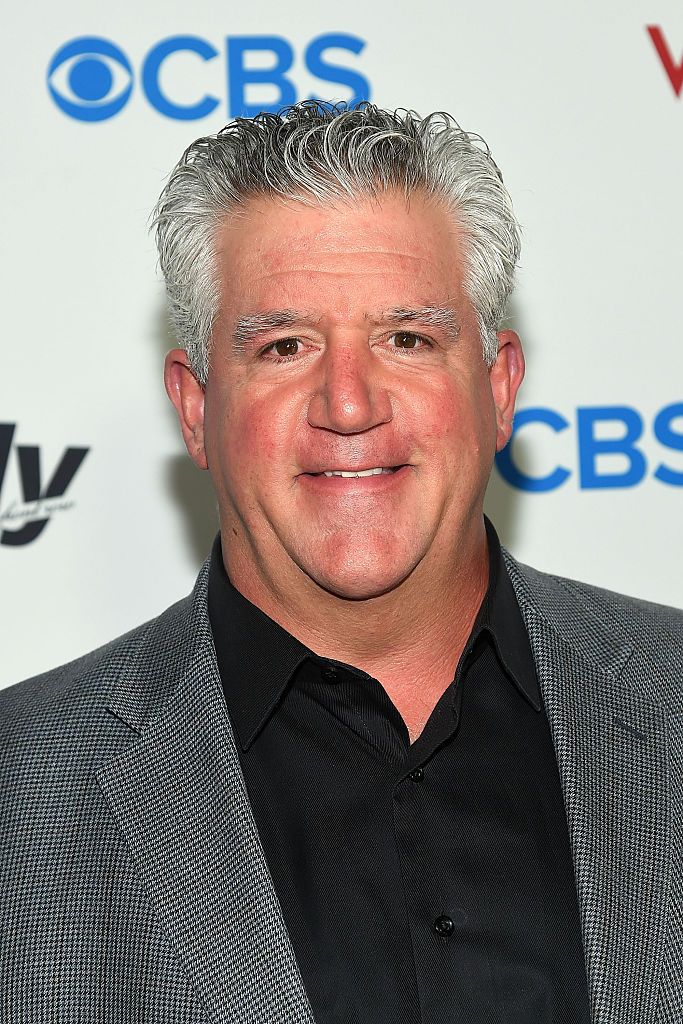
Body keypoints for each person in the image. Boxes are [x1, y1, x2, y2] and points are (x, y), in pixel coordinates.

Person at [1, 102, 681, 1024]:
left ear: (497, 388)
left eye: (407, 338)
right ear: (195, 410)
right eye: (284, 346)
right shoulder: (23, 786)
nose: (348, 403)